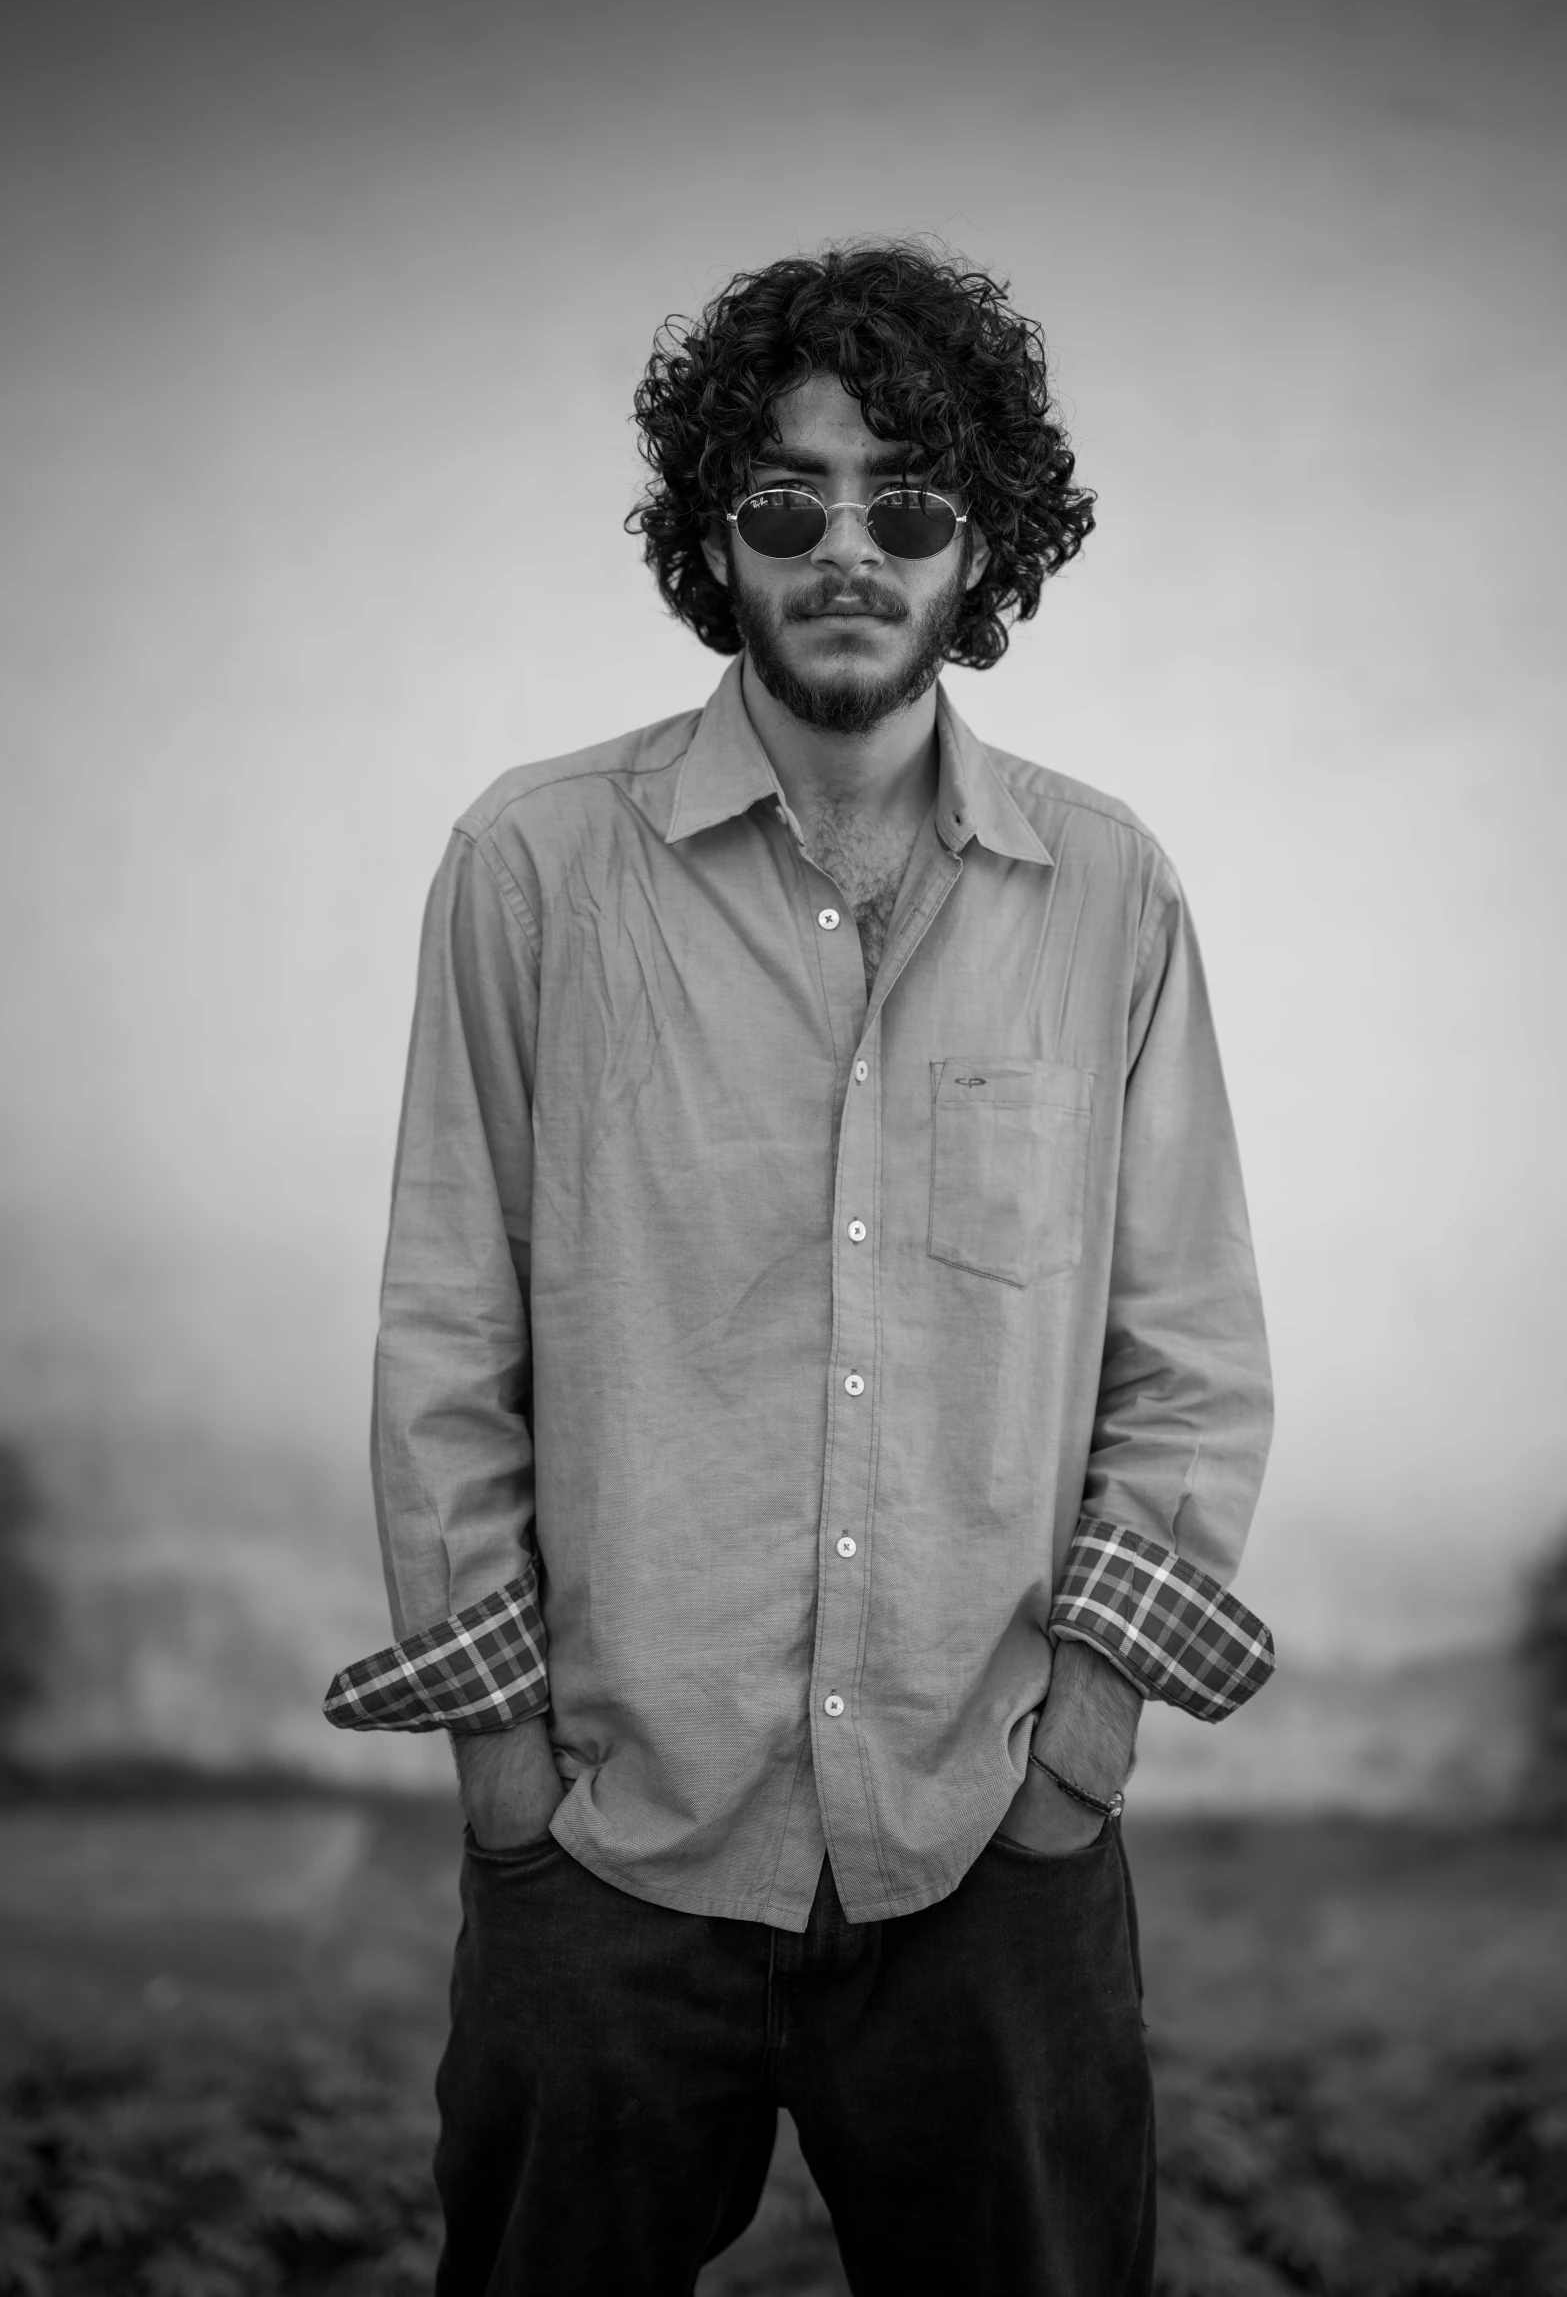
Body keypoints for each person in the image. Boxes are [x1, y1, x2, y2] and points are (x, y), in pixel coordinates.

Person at [324, 241, 1274, 2297]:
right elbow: (445, 1334)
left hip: (990, 1843)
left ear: (981, 541)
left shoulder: (1107, 891)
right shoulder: (533, 869)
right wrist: (510, 1789)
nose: (848, 546)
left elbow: (1185, 1348)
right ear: (711, 532)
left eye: (907, 500)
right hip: (610, 1846)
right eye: (786, 499)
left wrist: (1081, 1754)